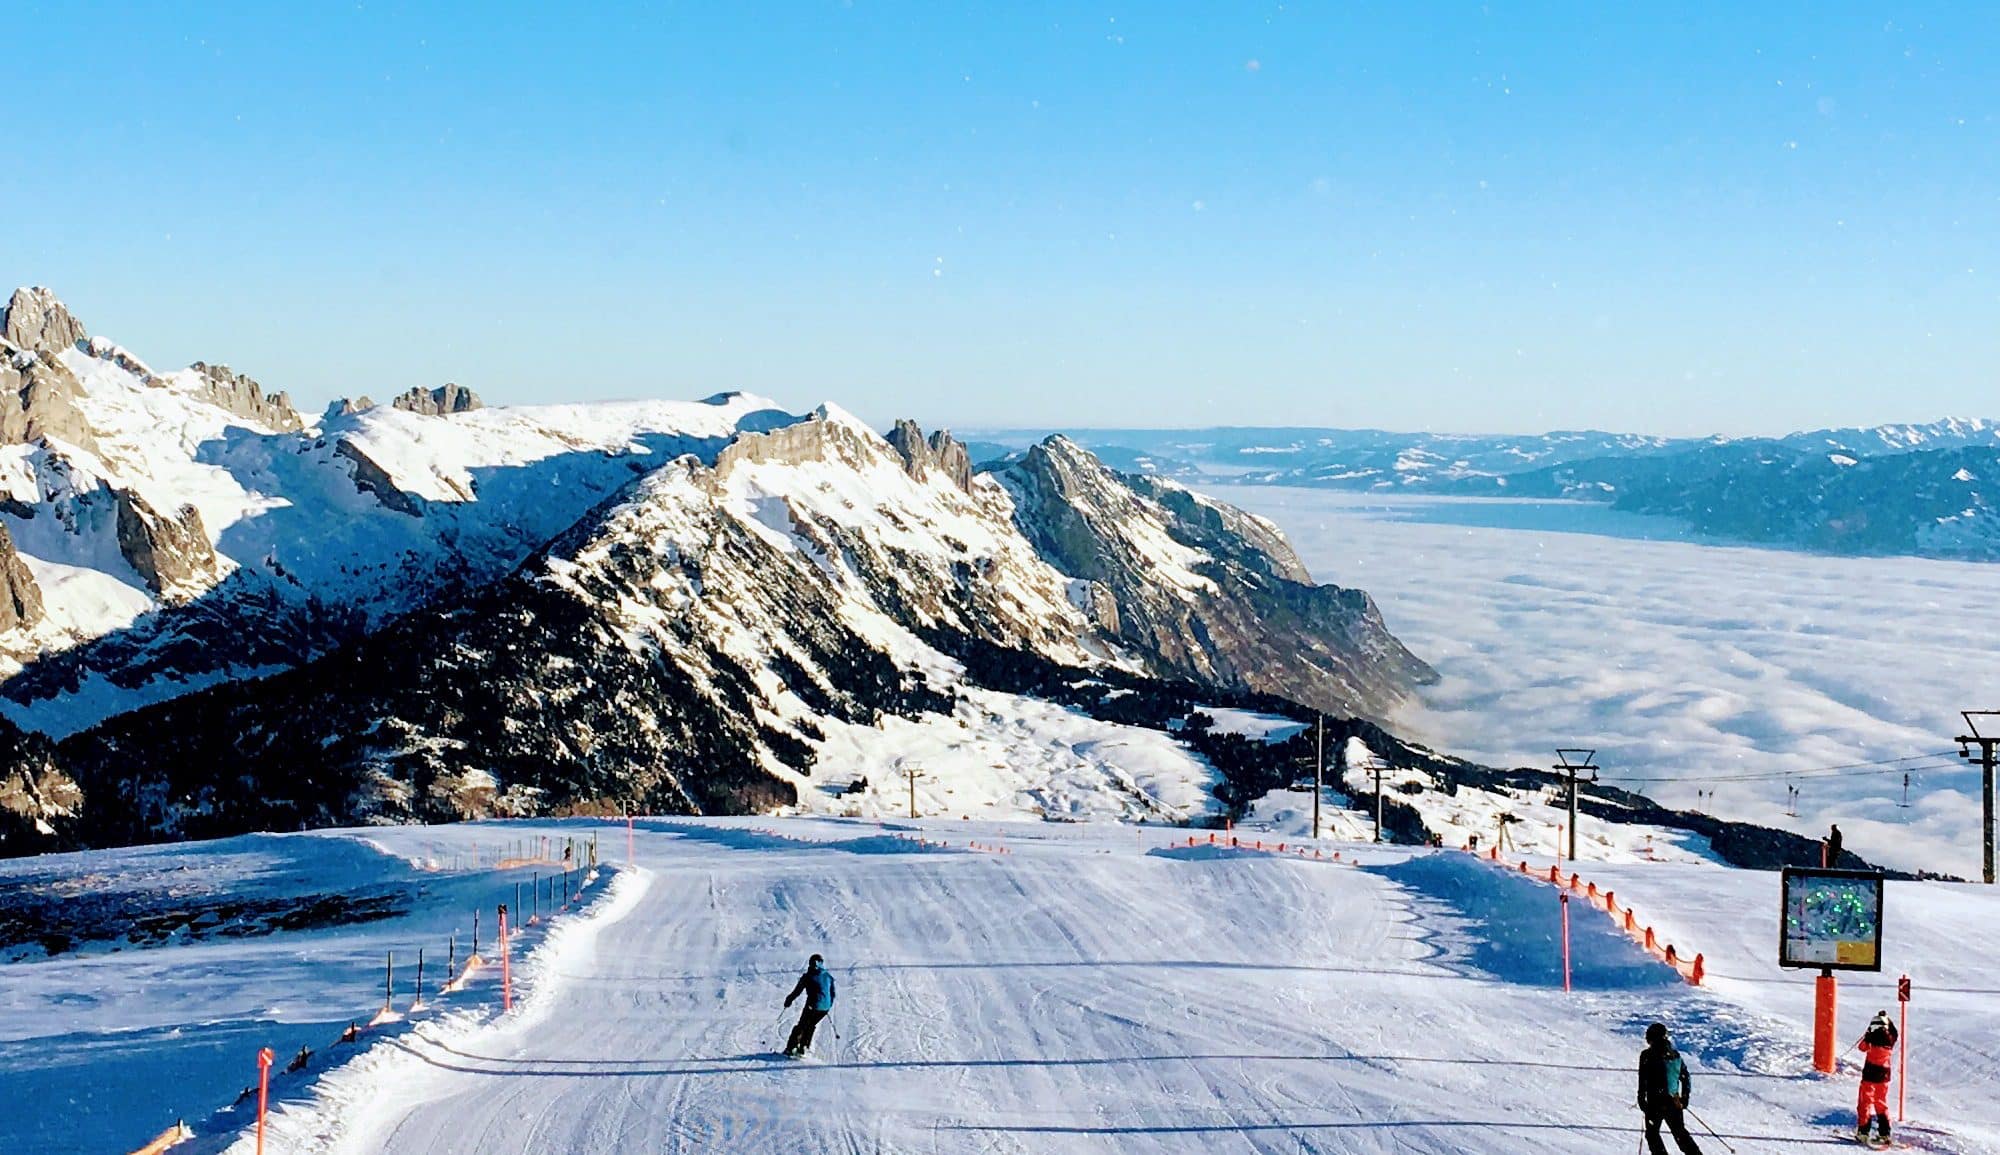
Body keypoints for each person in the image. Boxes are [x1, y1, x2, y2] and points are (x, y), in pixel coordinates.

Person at [1637, 1022, 1703, 1155]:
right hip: (1674, 1101)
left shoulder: (1646, 1055)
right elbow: (1685, 1077)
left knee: (1652, 1134)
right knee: (1680, 1134)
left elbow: (1643, 1078)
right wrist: (1684, 1098)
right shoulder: (1675, 1055)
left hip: (1654, 1102)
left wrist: (1641, 1098)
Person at [1855, 1009, 1899, 1145]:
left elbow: (1861, 1047)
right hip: (1884, 1073)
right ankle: (1884, 1133)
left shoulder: (1872, 1037)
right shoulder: (1891, 1038)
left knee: (1865, 1102)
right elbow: (1894, 1031)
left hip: (1870, 1072)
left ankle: (1863, 1132)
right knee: (1881, 1102)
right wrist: (1887, 1019)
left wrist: (1868, 1032)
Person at [782, 953, 836, 1057]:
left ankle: (791, 1047)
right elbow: (832, 993)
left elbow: (797, 991)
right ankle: (804, 1047)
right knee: (811, 1025)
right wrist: (828, 1005)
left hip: (813, 1006)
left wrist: (789, 1000)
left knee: (802, 1025)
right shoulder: (828, 976)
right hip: (825, 1009)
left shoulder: (808, 976)